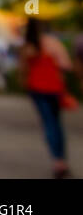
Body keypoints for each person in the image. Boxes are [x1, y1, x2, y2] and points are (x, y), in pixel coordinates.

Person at [20, 17, 73, 177]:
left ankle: (57, 161)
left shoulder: (28, 46)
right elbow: (66, 65)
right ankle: (61, 160)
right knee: (56, 124)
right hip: (54, 88)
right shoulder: (52, 43)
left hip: (36, 89)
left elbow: (23, 70)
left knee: (48, 123)